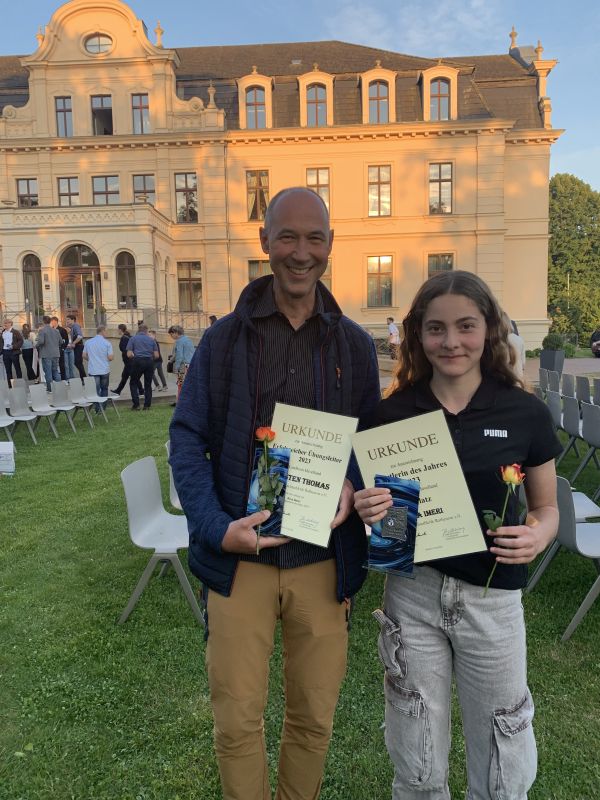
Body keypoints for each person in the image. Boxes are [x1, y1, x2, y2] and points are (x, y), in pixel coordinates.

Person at [169, 187, 380, 800]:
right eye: (287, 236)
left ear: (331, 245)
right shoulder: (224, 340)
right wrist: (215, 527)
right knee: (237, 724)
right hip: (241, 563)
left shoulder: (354, 346)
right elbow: (186, 437)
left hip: (322, 561)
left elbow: (369, 441)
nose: (301, 252)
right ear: (264, 242)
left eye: (314, 238)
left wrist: (352, 483)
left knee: (313, 721)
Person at [354, 270, 561, 800]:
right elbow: (390, 522)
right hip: (414, 596)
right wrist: (370, 510)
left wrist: (537, 536)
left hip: (494, 600)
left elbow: (546, 509)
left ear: (488, 329)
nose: (451, 342)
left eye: (466, 326)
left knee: (500, 757)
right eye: (436, 328)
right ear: (418, 335)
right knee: (416, 753)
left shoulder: (526, 412)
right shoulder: (391, 414)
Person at [127, 323, 159, 410]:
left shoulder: (133, 339)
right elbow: (156, 355)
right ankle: (147, 406)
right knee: (148, 384)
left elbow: (129, 354)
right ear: (146, 331)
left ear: (138, 329)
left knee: (133, 382)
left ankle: (136, 405)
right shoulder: (152, 340)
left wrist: (135, 357)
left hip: (137, 361)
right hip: (149, 362)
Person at [83, 325, 114, 412]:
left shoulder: (88, 342)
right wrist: (104, 359)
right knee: (104, 389)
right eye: (106, 331)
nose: (107, 333)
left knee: (95, 390)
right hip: (104, 369)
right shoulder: (107, 343)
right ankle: (103, 408)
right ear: (102, 331)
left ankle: (97, 408)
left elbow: (84, 355)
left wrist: (91, 360)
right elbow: (110, 357)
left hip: (93, 370)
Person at [111, 324, 142, 396]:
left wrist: (129, 356)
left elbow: (125, 350)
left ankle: (141, 391)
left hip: (129, 362)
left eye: (118, 329)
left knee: (134, 377)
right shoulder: (129, 336)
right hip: (129, 362)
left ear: (120, 329)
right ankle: (118, 390)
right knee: (124, 376)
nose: (117, 331)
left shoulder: (124, 338)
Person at [167, 324, 195, 403]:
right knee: (188, 385)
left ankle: (180, 402)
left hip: (182, 367)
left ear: (176, 332)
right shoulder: (188, 340)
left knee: (180, 384)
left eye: (171, 334)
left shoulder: (179, 341)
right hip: (190, 365)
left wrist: (176, 367)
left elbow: (179, 356)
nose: (171, 336)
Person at [36, 315, 63, 390]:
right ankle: (59, 388)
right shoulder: (56, 331)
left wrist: (36, 345)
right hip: (56, 353)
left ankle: (50, 388)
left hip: (46, 354)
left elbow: (41, 342)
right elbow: (61, 342)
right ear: (50, 321)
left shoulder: (42, 330)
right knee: (55, 371)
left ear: (43, 321)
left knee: (48, 372)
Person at [65, 314, 86, 382]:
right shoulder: (70, 327)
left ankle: (84, 379)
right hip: (75, 347)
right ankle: (83, 379)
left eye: (68, 319)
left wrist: (74, 343)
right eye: (66, 319)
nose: (67, 321)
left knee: (78, 362)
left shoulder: (76, 326)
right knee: (77, 363)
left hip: (78, 347)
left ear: (73, 320)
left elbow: (80, 336)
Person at [506, 314, 527, 379]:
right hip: (519, 372)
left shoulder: (503, 339)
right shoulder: (520, 339)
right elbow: (523, 361)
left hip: (506, 374)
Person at [50, 316, 69, 381]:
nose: (51, 323)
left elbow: (66, 340)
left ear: (55, 321)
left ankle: (64, 379)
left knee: (62, 365)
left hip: (60, 349)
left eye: (52, 322)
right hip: (52, 350)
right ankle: (54, 379)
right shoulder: (51, 330)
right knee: (53, 365)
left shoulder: (62, 330)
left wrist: (63, 348)